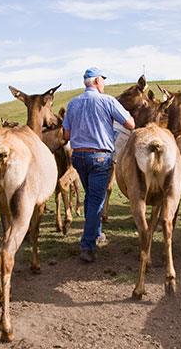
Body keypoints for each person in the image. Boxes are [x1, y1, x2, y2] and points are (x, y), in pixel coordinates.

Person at [62, 67, 135, 262]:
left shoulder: (72, 103)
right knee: (96, 200)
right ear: (95, 82)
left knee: (91, 197)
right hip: (100, 157)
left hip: (78, 157)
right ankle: (87, 245)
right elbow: (130, 124)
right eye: (102, 80)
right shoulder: (108, 101)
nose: (104, 83)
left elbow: (66, 135)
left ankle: (97, 233)